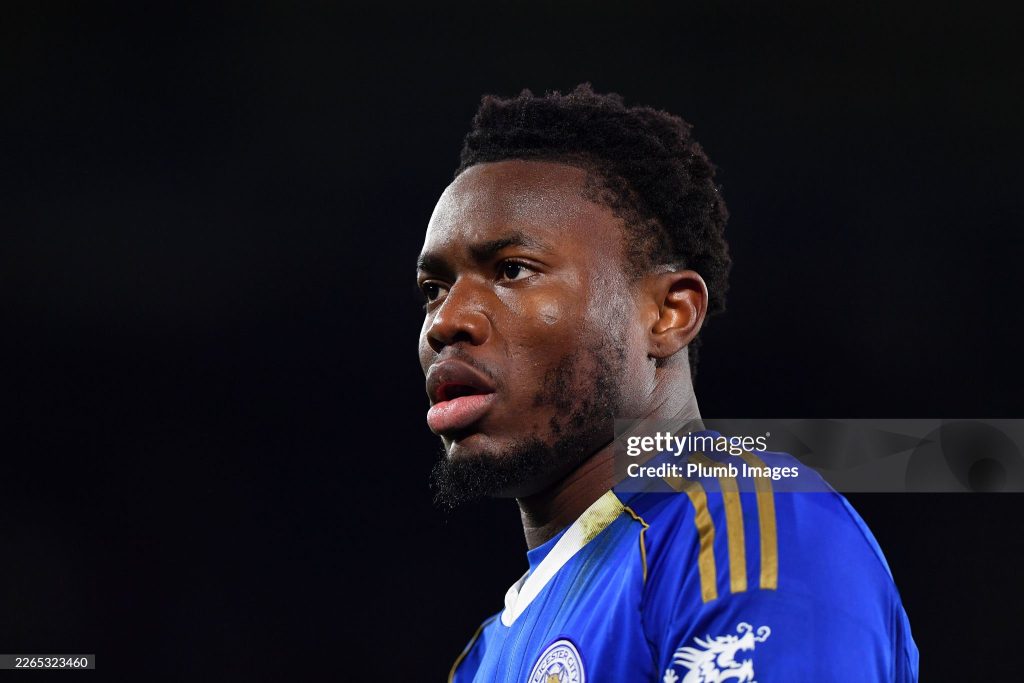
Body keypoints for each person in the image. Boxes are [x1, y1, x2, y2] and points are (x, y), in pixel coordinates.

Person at [416, 84, 918, 682]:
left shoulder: (744, 528)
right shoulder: (481, 661)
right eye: (433, 290)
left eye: (513, 270)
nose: (446, 321)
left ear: (668, 314)